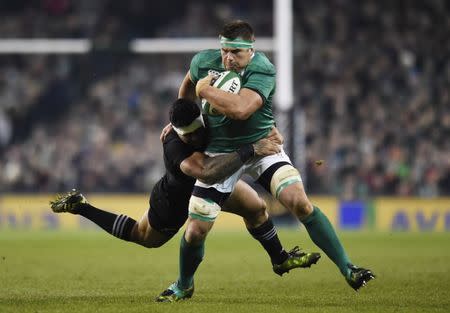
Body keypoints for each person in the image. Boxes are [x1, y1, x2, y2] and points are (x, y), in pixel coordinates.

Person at [158, 20, 375, 302]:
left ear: (251, 49)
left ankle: (348, 268)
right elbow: (188, 85)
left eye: (235, 51)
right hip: (219, 154)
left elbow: (241, 109)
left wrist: (205, 91)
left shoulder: (262, 69)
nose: (228, 58)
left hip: (263, 147)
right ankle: (184, 285)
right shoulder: (203, 61)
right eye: (225, 50)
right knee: (196, 229)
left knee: (299, 202)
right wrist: (179, 123)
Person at [50, 98, 321, 296]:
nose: (192, 139)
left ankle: (280, 258)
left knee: (257, 208)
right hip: (177, 198)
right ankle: (82, 207)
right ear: (176, 132)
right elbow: (206, 172)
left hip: (214, 187)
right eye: (186, 135)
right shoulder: (175, 146)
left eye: (195, 132)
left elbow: (198, 85)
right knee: (143, 236)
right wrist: (251, 148)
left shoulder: (207, 118)